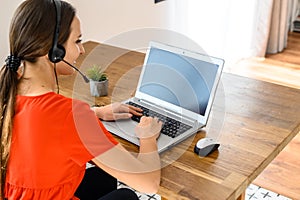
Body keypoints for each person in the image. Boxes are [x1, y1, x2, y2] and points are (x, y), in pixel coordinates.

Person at [0, 0, 163, 199]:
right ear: (53, 52)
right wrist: (147, 137)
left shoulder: (7, 92)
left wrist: (96, 113)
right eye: (77, 41)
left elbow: (41, 124)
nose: (82, 50)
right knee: (127, 195)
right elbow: (149, 183)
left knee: (103, 175)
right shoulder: (70, 116)